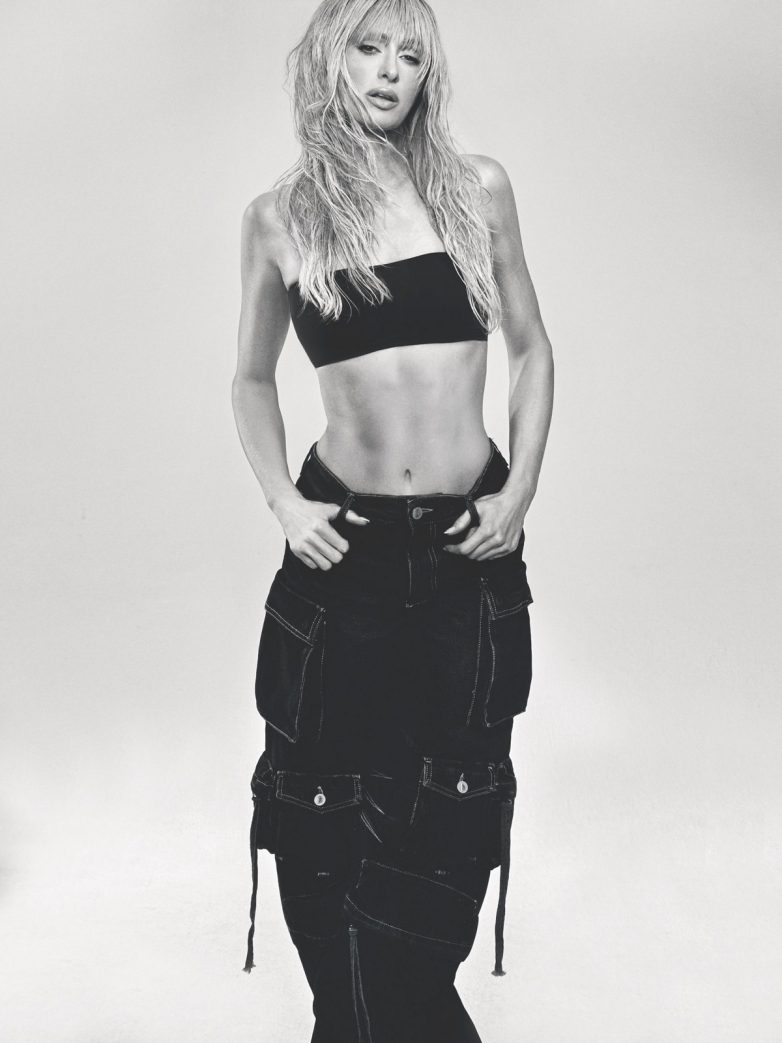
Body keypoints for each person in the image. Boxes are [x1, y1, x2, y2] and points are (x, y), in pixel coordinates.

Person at [232, 0, 554, 1039]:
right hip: (347, 557)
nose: (388, 72)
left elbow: (531, 349)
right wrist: (284, 500)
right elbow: (249, 377)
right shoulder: (279, 218)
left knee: (451, 823)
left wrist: (519, 491)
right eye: (369, 49)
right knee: (319, 823)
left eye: (409, 55)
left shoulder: (476, 189)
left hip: (465, 551)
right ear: (330, 60)